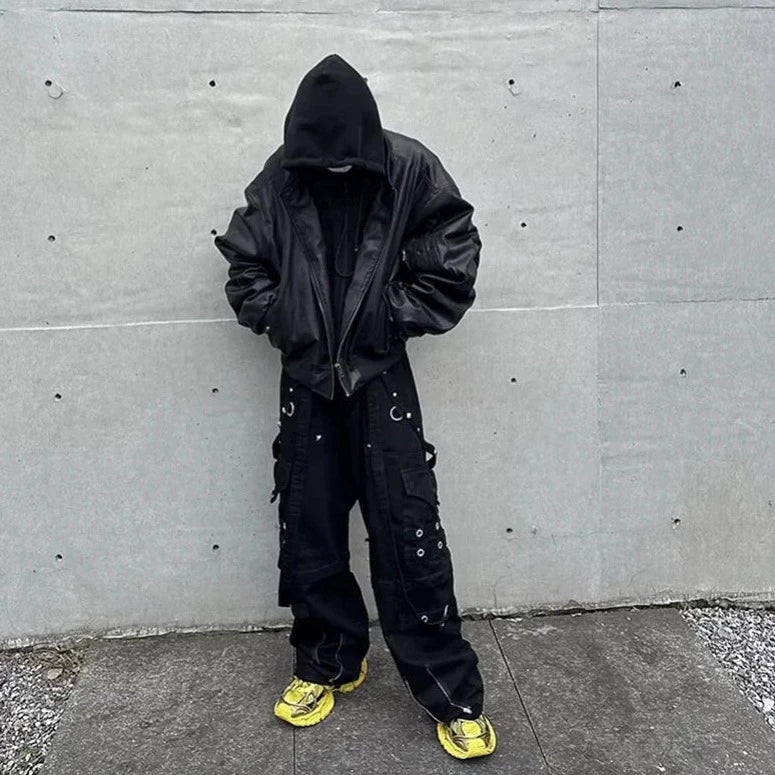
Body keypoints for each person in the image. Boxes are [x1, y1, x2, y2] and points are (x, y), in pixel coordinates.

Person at [214, 53, 496, 760]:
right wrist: (289, 321)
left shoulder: (409, 168)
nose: (335, 169)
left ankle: (451, 690)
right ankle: (327, 662)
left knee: (408, 532)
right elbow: (244, 266)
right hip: (308, 380)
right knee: (308, 529)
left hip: (380, 378)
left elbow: (453, 255)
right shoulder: (282, 176)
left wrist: (387, 320)